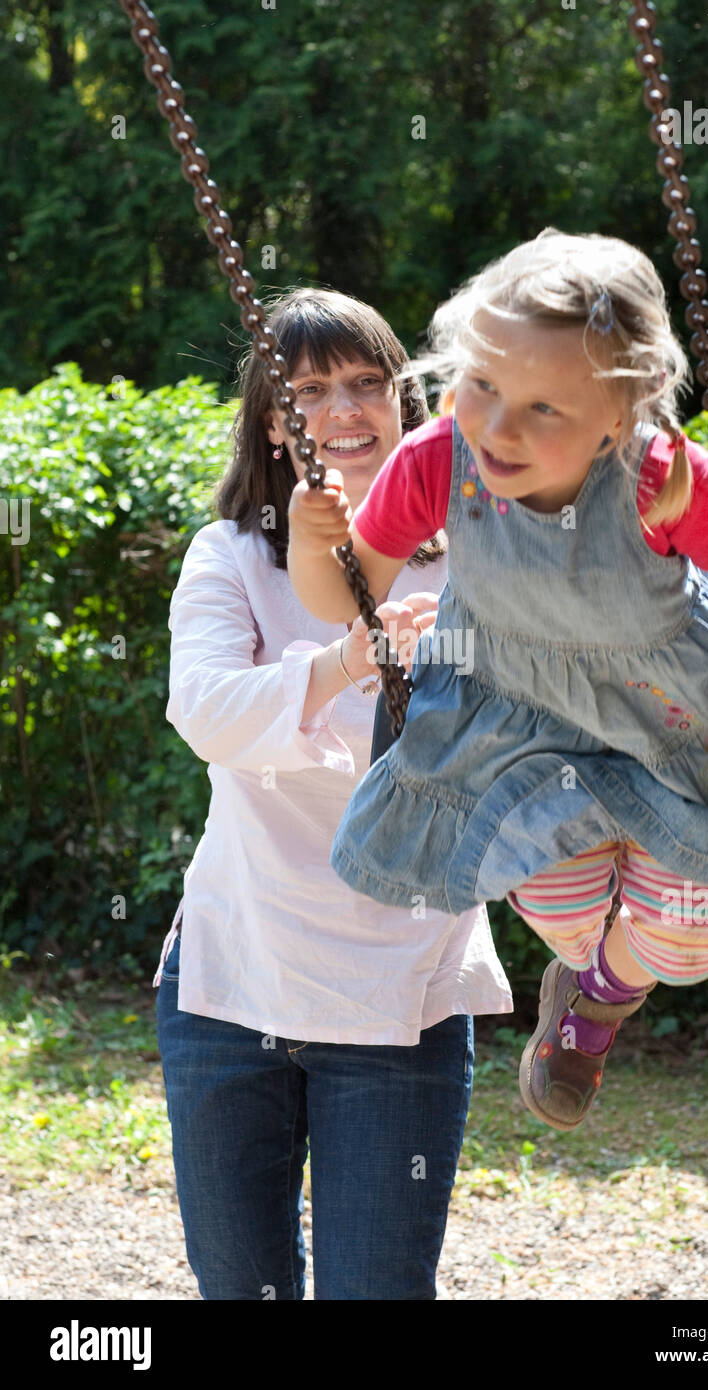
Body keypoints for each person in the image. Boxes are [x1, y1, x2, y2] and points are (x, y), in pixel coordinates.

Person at [286, 229, 708, 1134]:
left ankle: (595, 1009)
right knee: (567, 911)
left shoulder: (655, 473)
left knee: (693, 941)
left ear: (621, 417)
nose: (500, 426)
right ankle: (586, 987)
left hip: (669, 726)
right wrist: (321, 551)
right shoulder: (436, 459)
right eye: (484, 386)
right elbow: (342, 596)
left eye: (544, 408)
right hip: (517, 728)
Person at [153, 287, 513, 1301]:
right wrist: (348, 659)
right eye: (310, 391)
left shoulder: (482, 562)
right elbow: (209, 712)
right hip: (234, 981)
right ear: (274, 420)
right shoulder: (231, 556)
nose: (345, 410)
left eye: (368, 383)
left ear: (408, 404)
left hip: (403, 994)